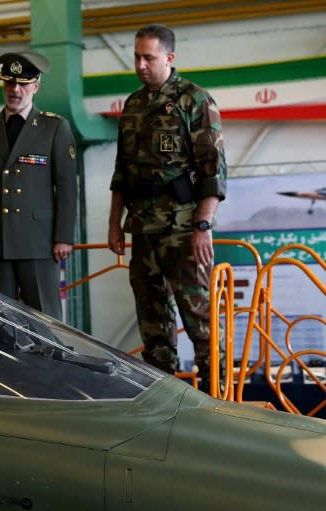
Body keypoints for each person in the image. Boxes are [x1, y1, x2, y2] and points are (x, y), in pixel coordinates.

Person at [107, 24, 227, 384]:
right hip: (144, 230)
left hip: (183, 231)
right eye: (137, 57)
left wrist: (203, 227)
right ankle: (164, 403)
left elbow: (214, 172)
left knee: (199, 322)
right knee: (152, 326)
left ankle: (216, 400)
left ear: (169, 58)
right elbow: (122, 172)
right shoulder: (133, 105)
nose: (141, 65)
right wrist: (115, 223)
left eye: (149, 57)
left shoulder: (195, 100)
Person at [0, 50, 77, 321]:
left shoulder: (54, 128)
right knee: (2, 319)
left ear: (35, 87)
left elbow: (66, 188)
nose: (15, 90)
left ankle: (50, 365)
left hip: (38, 241)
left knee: (45, 318)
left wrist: (64, 236)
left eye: (23, 84)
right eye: (9, 83)